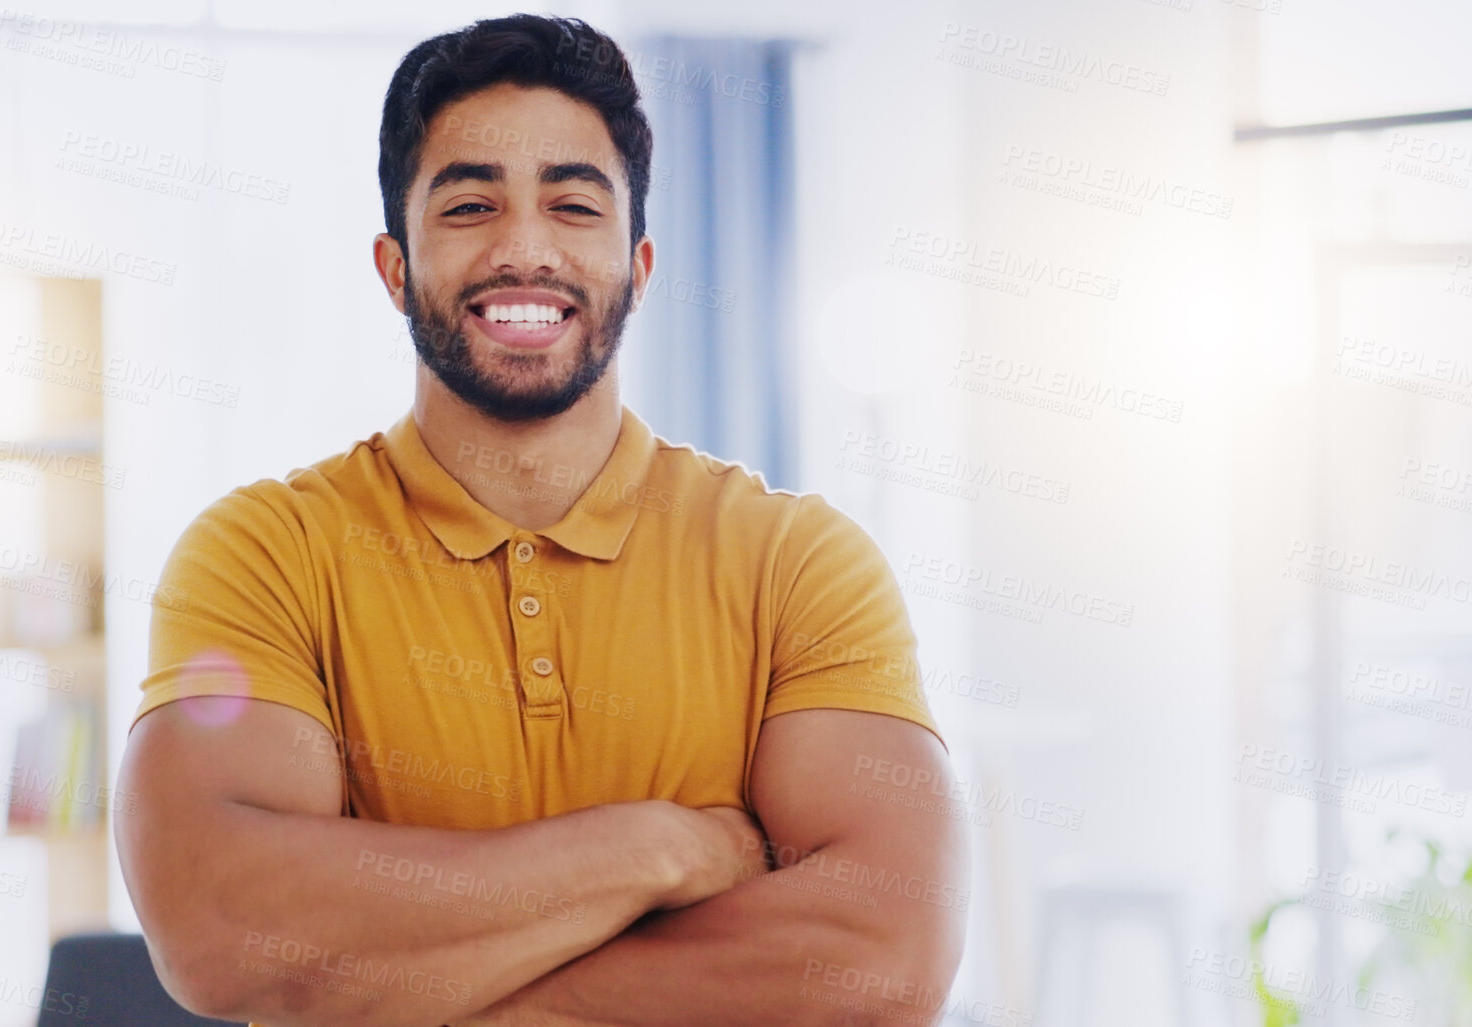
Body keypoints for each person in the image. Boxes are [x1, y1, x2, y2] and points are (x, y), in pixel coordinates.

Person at [115, 14, 967, 1026]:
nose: (525, 249)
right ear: (395, 269)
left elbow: (880, 959)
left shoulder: (798, 562)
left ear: (638, 268)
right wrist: (663, 848)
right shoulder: (263, 554)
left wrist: (447, 991)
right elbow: (225, 928)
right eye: (471, 204)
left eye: (572, 204)